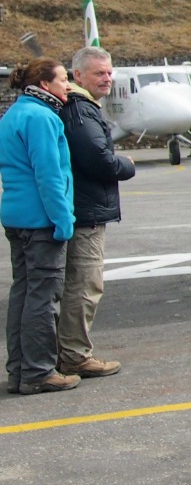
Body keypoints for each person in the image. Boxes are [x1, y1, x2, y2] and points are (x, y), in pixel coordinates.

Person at [56, 46, 135, 382]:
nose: (107, 78)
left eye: (109, 72)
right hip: (85, 212)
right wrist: (126, 165)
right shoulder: (81, 110)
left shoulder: (78, 108)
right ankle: (74, 355)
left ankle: (68, 352)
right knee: (85, 285)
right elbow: (98, 159)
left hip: (83, 208)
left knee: (78, 284)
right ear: (77, 76)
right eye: (99, 73)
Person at [0, 58, 77, 395]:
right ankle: (39, 371)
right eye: (63, 79)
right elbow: (50, 175)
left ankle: (18, 370)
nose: (68, 85)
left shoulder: (14, 113)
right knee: (44, 298)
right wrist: (64, 221)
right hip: (41, 221)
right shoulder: (43, 118)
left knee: (23, 292)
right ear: (45, 85)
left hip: (16, 218)